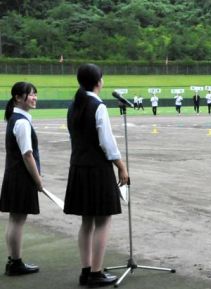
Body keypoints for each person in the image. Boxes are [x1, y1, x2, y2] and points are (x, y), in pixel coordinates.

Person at [64, 64, 129, 287]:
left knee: (87, 222)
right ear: (98, 81)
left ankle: (86, 270)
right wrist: (121, 166)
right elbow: (107, 143)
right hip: (97, 169)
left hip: (79, 167)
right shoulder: (97, 106)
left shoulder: (73, 106)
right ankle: (96, 272)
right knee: (103, 220)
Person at [1, 82, 42, 276]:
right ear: (18, 97)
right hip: (21, 178)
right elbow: (27, 154)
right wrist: (38, 179)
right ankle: (15, 262)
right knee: (18, 220)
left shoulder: (15, 119)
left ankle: (13, 261)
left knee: (14, 219)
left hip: (13, 176)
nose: (34, 98)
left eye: (35, 94)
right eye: (30, 94)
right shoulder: (22, 122)